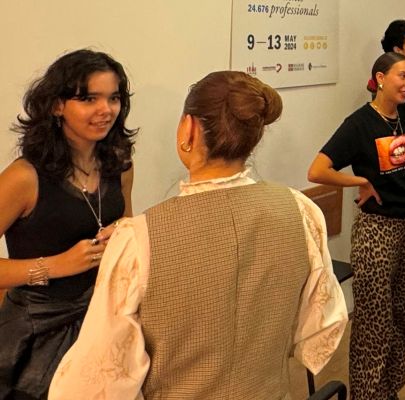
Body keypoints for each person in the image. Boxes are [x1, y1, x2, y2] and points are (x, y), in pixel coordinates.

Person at [48, 71, 348, 399]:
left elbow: (95, 381)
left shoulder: (138, 239)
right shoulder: (301, 211)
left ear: (188, 129)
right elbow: (321, 327)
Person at [307, 52, 405, 399]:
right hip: (377, 228)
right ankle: (367, 394)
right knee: (374, 321)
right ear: (381, 78)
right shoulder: (359, 124)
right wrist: (360, 181)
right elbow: (317, 170)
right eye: (402, 76)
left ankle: (389, 389)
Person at [0, 49, 135, 400]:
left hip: (103, 319)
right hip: (36, 332)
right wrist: (56, 265)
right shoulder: (24, 177)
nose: (106, 110)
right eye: (89, 99)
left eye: (114, 98)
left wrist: (123, 236)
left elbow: (128, 230)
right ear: (57, 105)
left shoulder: (119, 163)